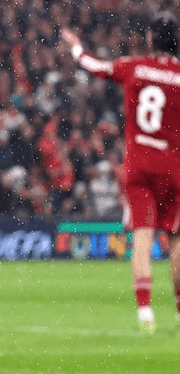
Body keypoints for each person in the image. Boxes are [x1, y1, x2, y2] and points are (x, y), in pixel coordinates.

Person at [63, 14, 180, 334]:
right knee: (176, 240)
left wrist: (76, 47)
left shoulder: (134, 67)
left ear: (151, 39)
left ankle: (145, 313)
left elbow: (94, 66)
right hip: (174, 168)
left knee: (142, 237)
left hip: (140, 165)